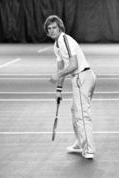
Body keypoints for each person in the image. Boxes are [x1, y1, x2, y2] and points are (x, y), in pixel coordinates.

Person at [44, 15, 96, 159]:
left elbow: (73, 65)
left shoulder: (64, 39)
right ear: (47, 32)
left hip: (82, 77)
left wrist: (57, 75)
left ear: (60, 28)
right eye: (49, 29)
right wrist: (59, 89)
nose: (52, 30)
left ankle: (89, 149)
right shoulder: (57, 45)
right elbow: (61, 67)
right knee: (75, 111)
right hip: (81, 78)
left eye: (54, 27)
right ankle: (80, 143)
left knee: (82, 115)